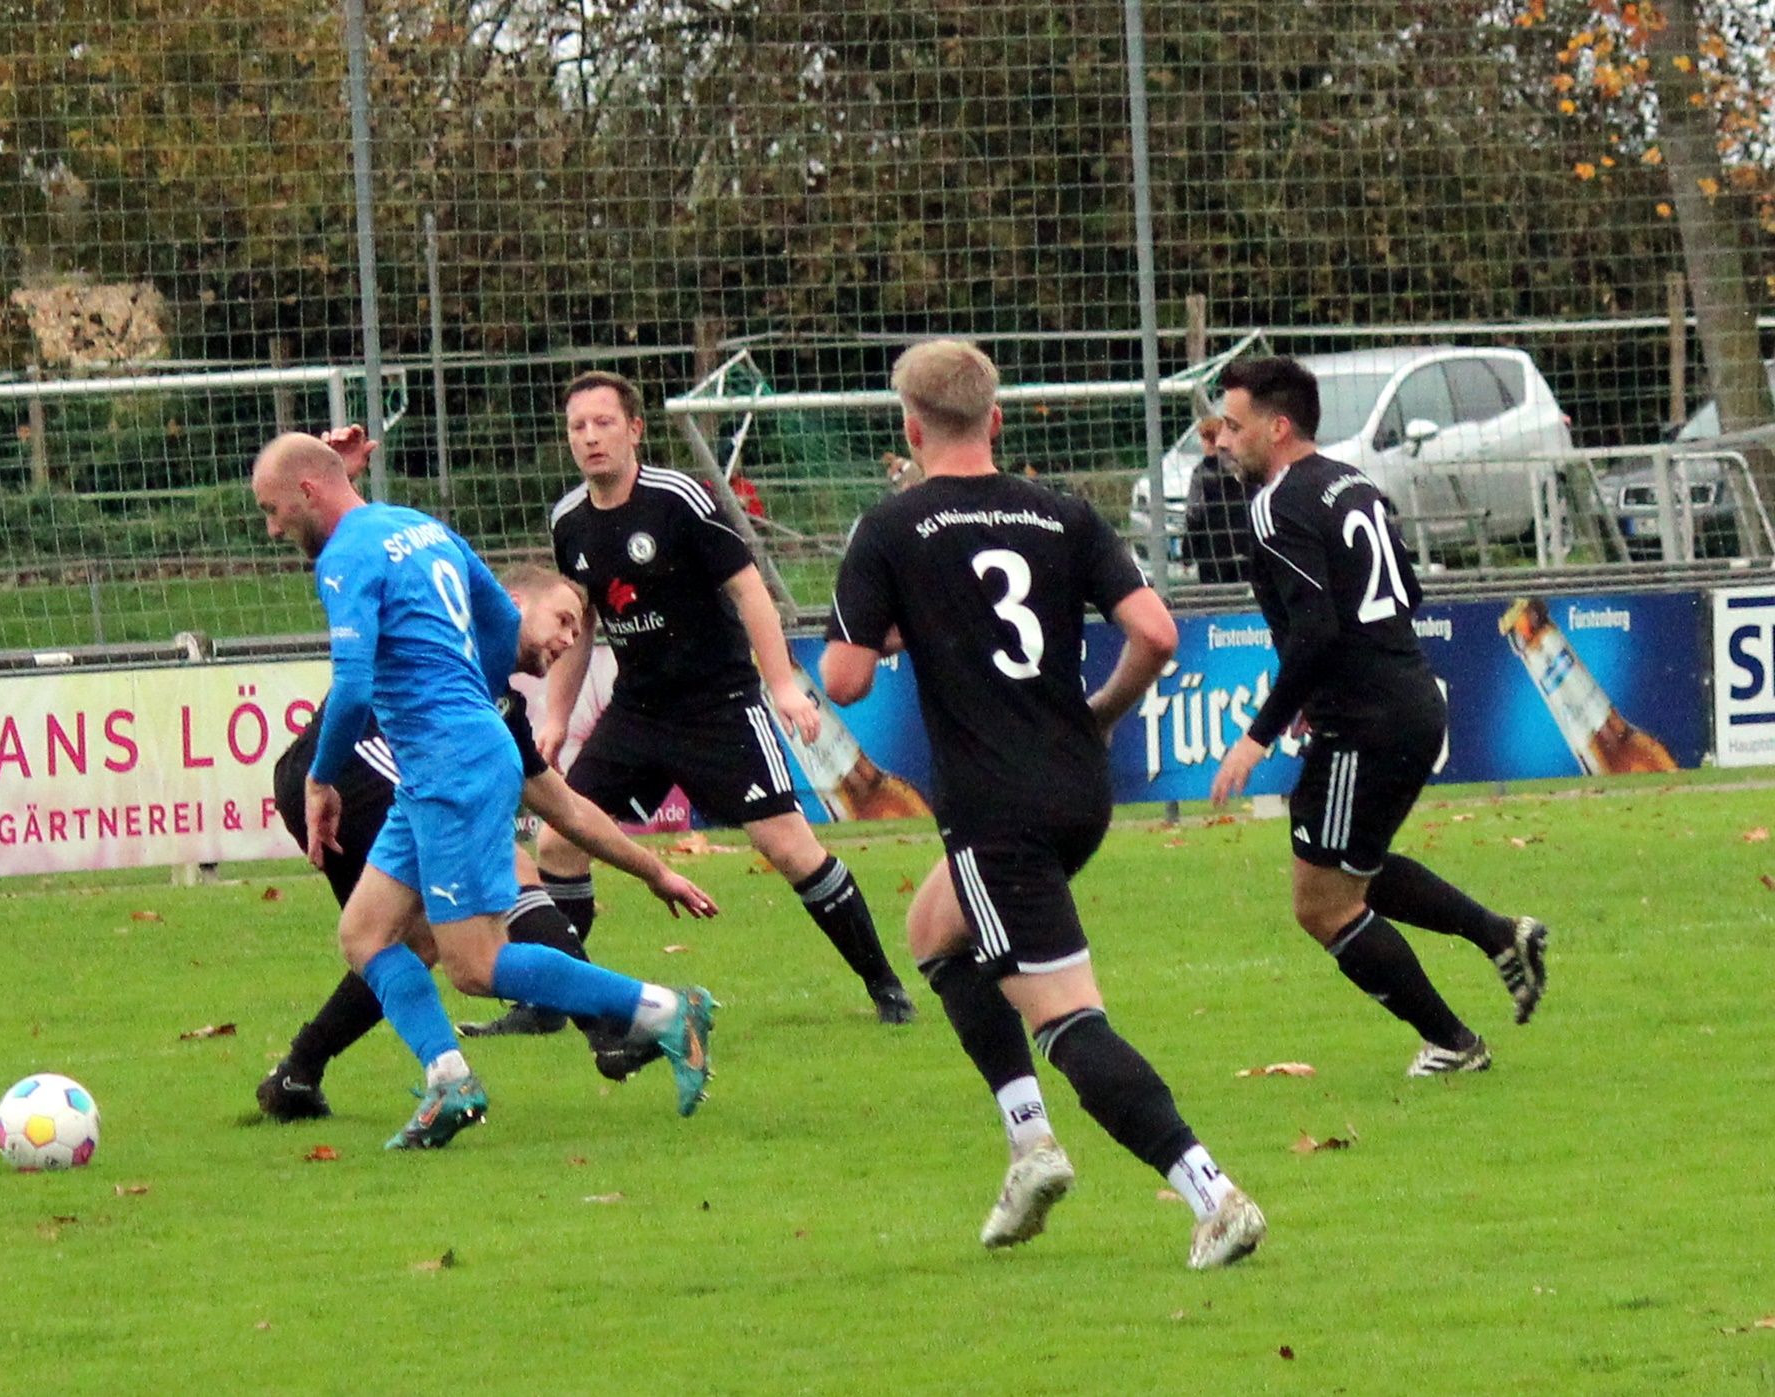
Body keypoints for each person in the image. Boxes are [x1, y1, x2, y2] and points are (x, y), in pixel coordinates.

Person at [818, 340, 1266, 1267]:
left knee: (1066, 1017)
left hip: (995, 805)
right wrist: (1102, 712)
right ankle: (1030, 1144)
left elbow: (845, 678)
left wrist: (899, 626)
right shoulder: (1061, 512)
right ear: (995, 419)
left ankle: (1213, 1195)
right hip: (1075, 786)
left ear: (911, 429)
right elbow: (1156, 632)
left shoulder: (892, 527)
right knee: (934, 931)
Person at [250, 433, 715, 1148]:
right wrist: (478, 698)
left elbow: (352, 687)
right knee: (365, 933)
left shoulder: (346, 556)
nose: (273, 528)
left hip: (449, 763)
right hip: (441, 761)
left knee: (475, 964)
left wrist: (321, 778)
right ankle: (449, 1079)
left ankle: (664, 1010)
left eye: (273, 509)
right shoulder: (419, 526)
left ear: (309, 491)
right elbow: (500, 618)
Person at [534, 370, 915, 1026]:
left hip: (719, 707)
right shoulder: (569, 521)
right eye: (578, 426)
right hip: (637, 712)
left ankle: (886, 987)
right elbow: (580, 623)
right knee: (558, 844)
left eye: (603, 423)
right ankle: (548, 1006)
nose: (590, 437)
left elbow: (749, 591)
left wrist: (783, 687)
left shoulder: (678, 499)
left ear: (634, 430)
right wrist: (557, 718)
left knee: (790, 849)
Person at [1206, 356, 1548, 1076]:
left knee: (1321, 904)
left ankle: (1455, 1044)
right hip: (1410, 702)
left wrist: (1257, 735)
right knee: (1353, 868)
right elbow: (1406, 593)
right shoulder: (1352, 482)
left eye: (1233, 426)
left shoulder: (1274, 504)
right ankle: (1500, 936)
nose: (1223, 441)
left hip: (1362, 725)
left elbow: (1315, 631)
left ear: (1278, 426)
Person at [1183, 415, 1251, 585]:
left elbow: (1194, 514)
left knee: (1214, 595)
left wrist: (1188, 553)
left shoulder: (1202, 473)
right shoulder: (1242, 468)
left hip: (1211, 549)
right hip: (1244, 545)